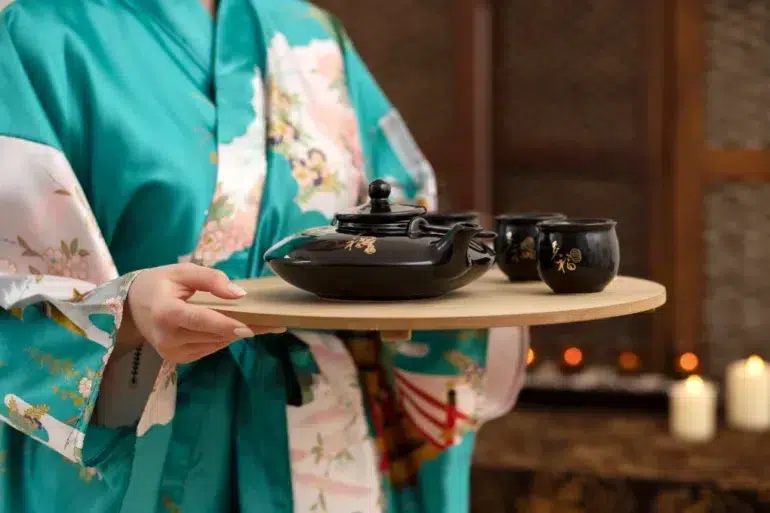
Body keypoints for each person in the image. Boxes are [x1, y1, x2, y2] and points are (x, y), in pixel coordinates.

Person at [0, 0, 530, 511]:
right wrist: (128, 313)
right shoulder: (37, 35)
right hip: (138, 453)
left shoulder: (311, 35)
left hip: (320, 439)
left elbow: (410, 224)